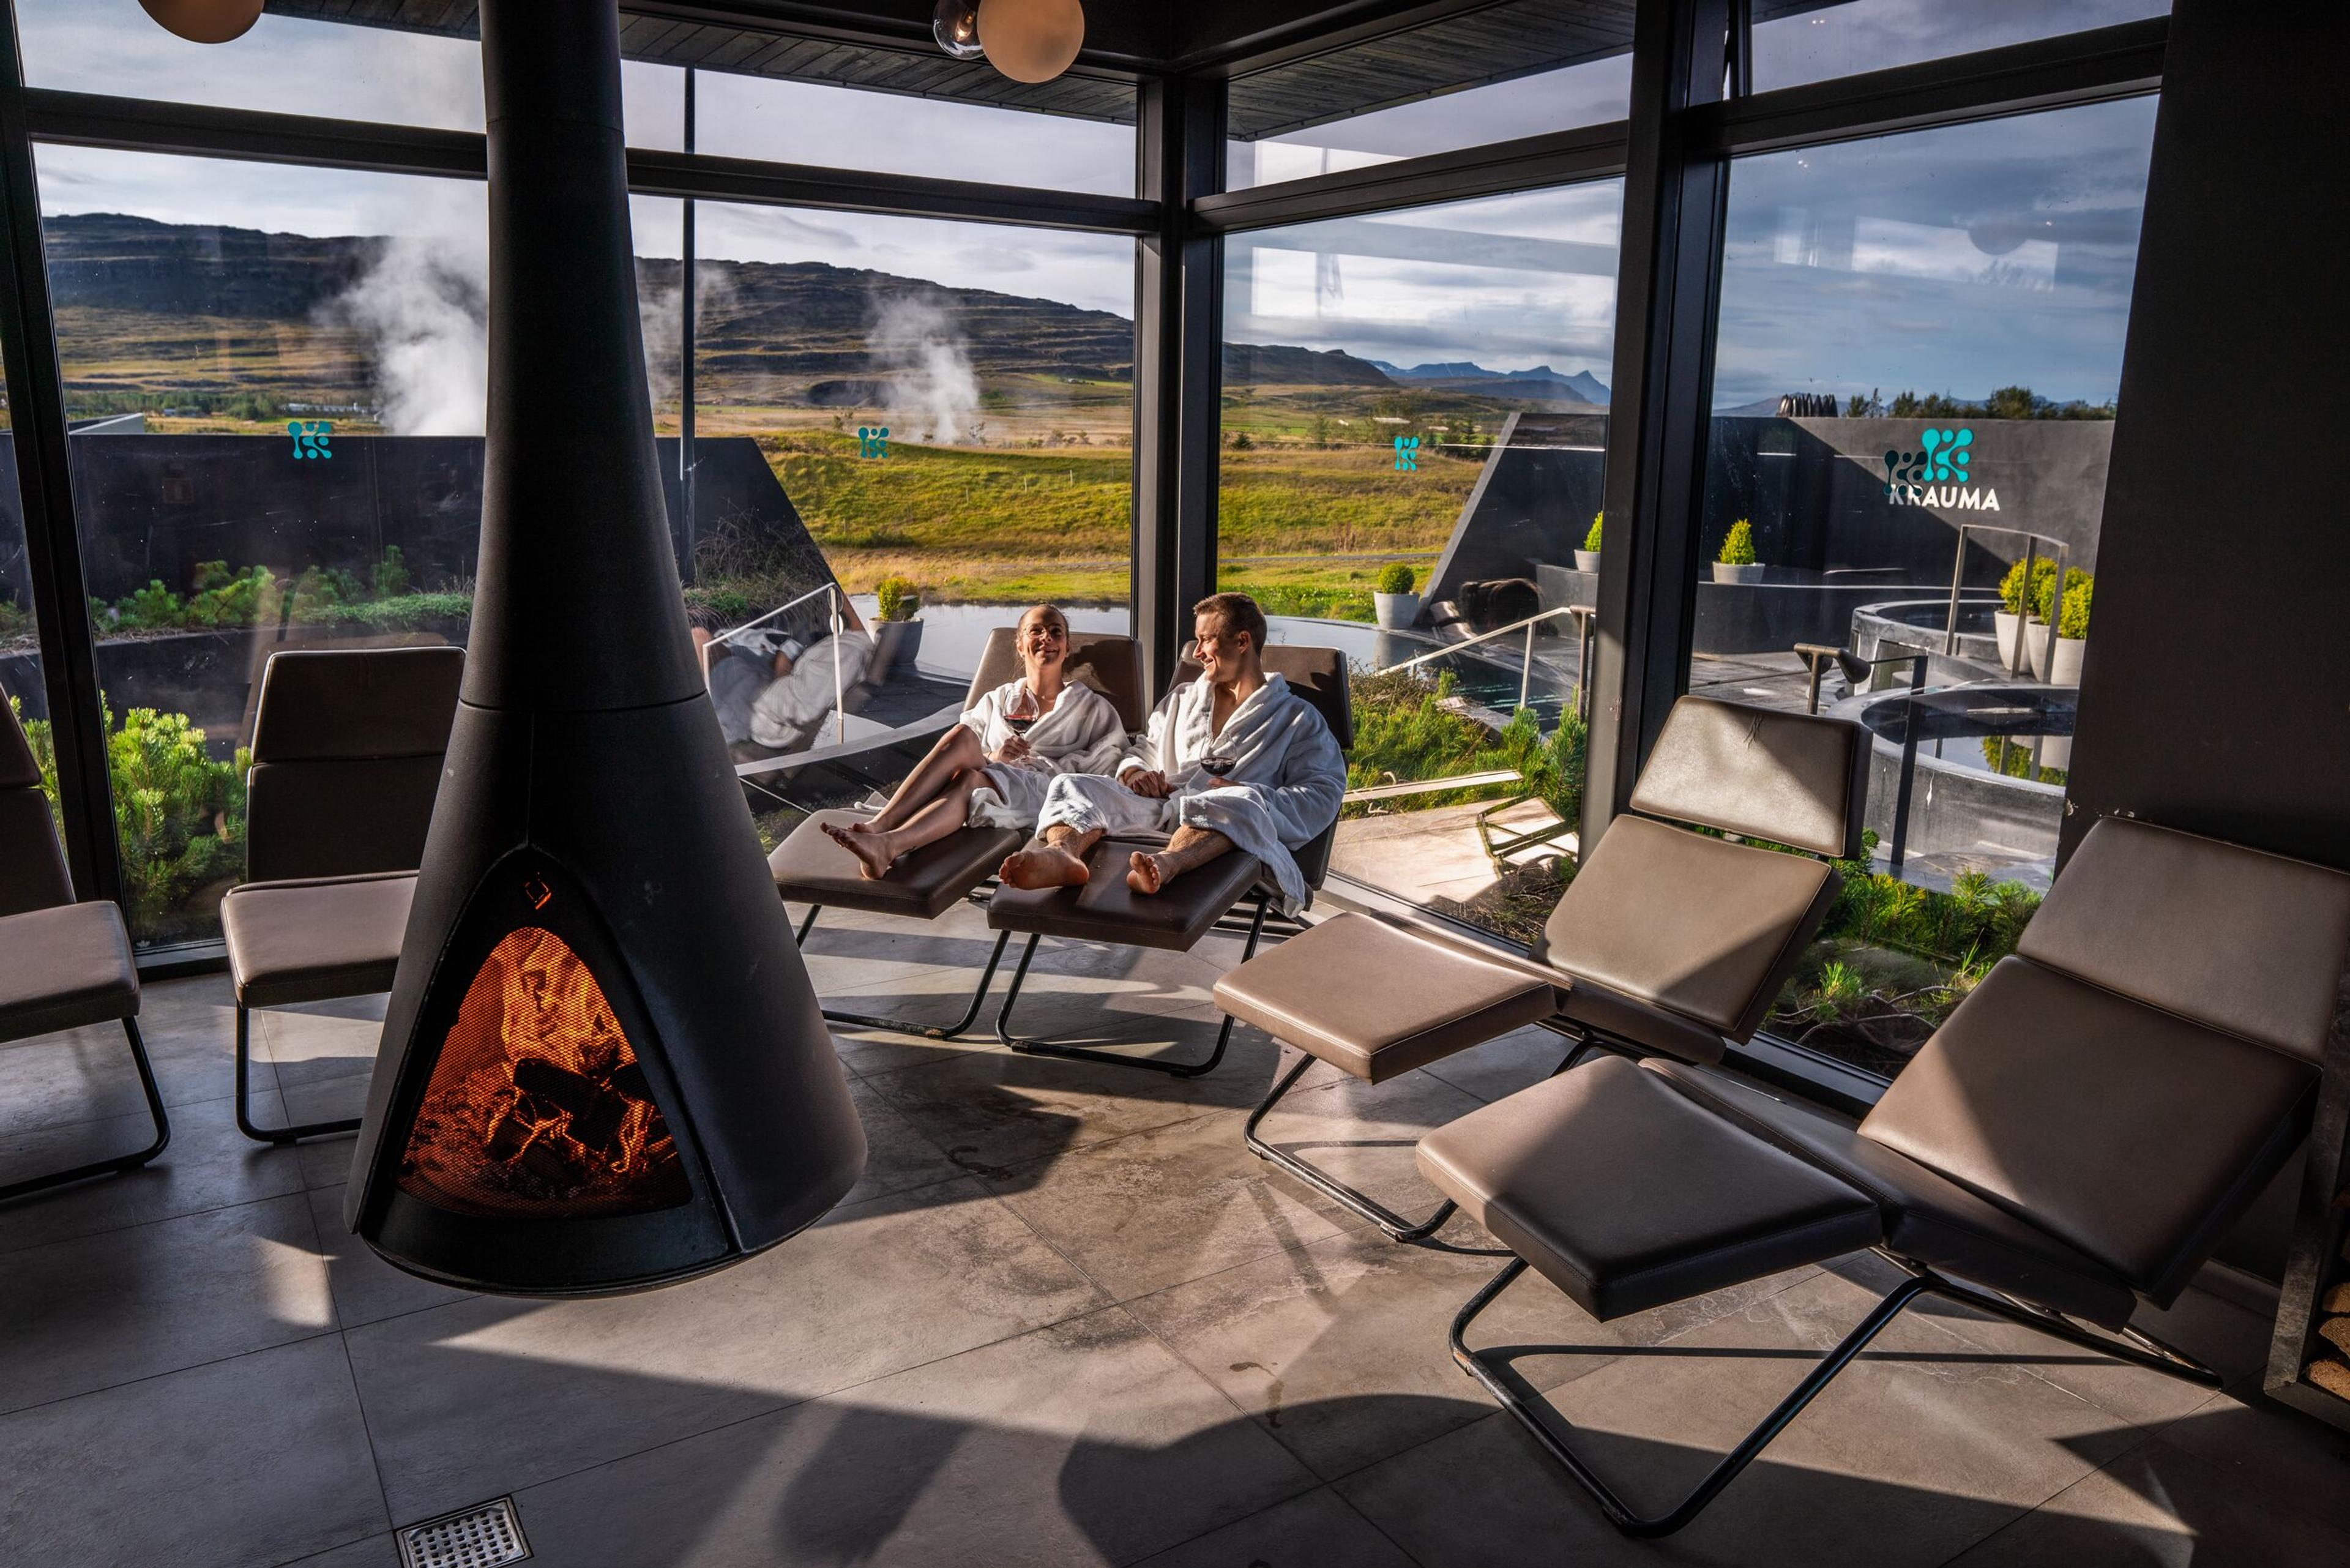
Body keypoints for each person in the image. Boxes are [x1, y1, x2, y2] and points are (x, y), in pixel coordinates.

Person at [999, 592, 1345, 911]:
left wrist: (1254, 795)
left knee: (1235, 802)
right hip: (1158, 810)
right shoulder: (1182, 700)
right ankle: (1063, 852)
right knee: (1073, 784)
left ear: (1242, 641)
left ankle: (1167, 864)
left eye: (1206, 640)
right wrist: (1136, 773)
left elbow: (1323, 791)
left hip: (1225, 831)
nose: (1196, 653)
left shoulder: (1297, 719)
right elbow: (1145, 749)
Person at [822, 603, 1125, 880]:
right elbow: (965, 754)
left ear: (1067, 646)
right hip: (990, 781)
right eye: (1036, 631)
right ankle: (882, 834)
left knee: (970, 773)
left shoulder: (1090, 707)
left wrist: (1046, 767)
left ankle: (885, 833)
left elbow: (1108, 767)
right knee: (965, 744)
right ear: (1020, 645)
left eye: (1056, 632)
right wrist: (995, 757)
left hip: (1043, 793)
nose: (1047, 637)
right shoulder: (1000, 699)